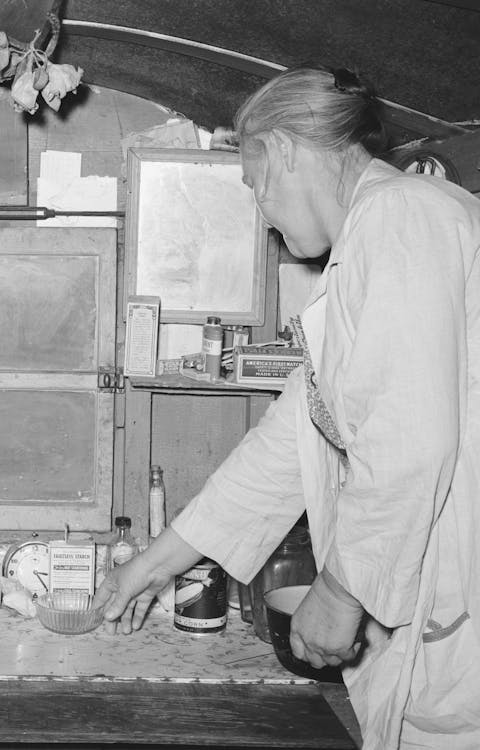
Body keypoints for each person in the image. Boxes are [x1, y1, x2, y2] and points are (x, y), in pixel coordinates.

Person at [92, 64, 480, 749]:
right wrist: (154, 563)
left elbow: (409, 441)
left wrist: (340, 591)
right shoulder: (375, 240)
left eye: (252, 184)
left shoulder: (401, 217)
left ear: (284, 152)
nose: (261, 213)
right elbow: (289, 441)